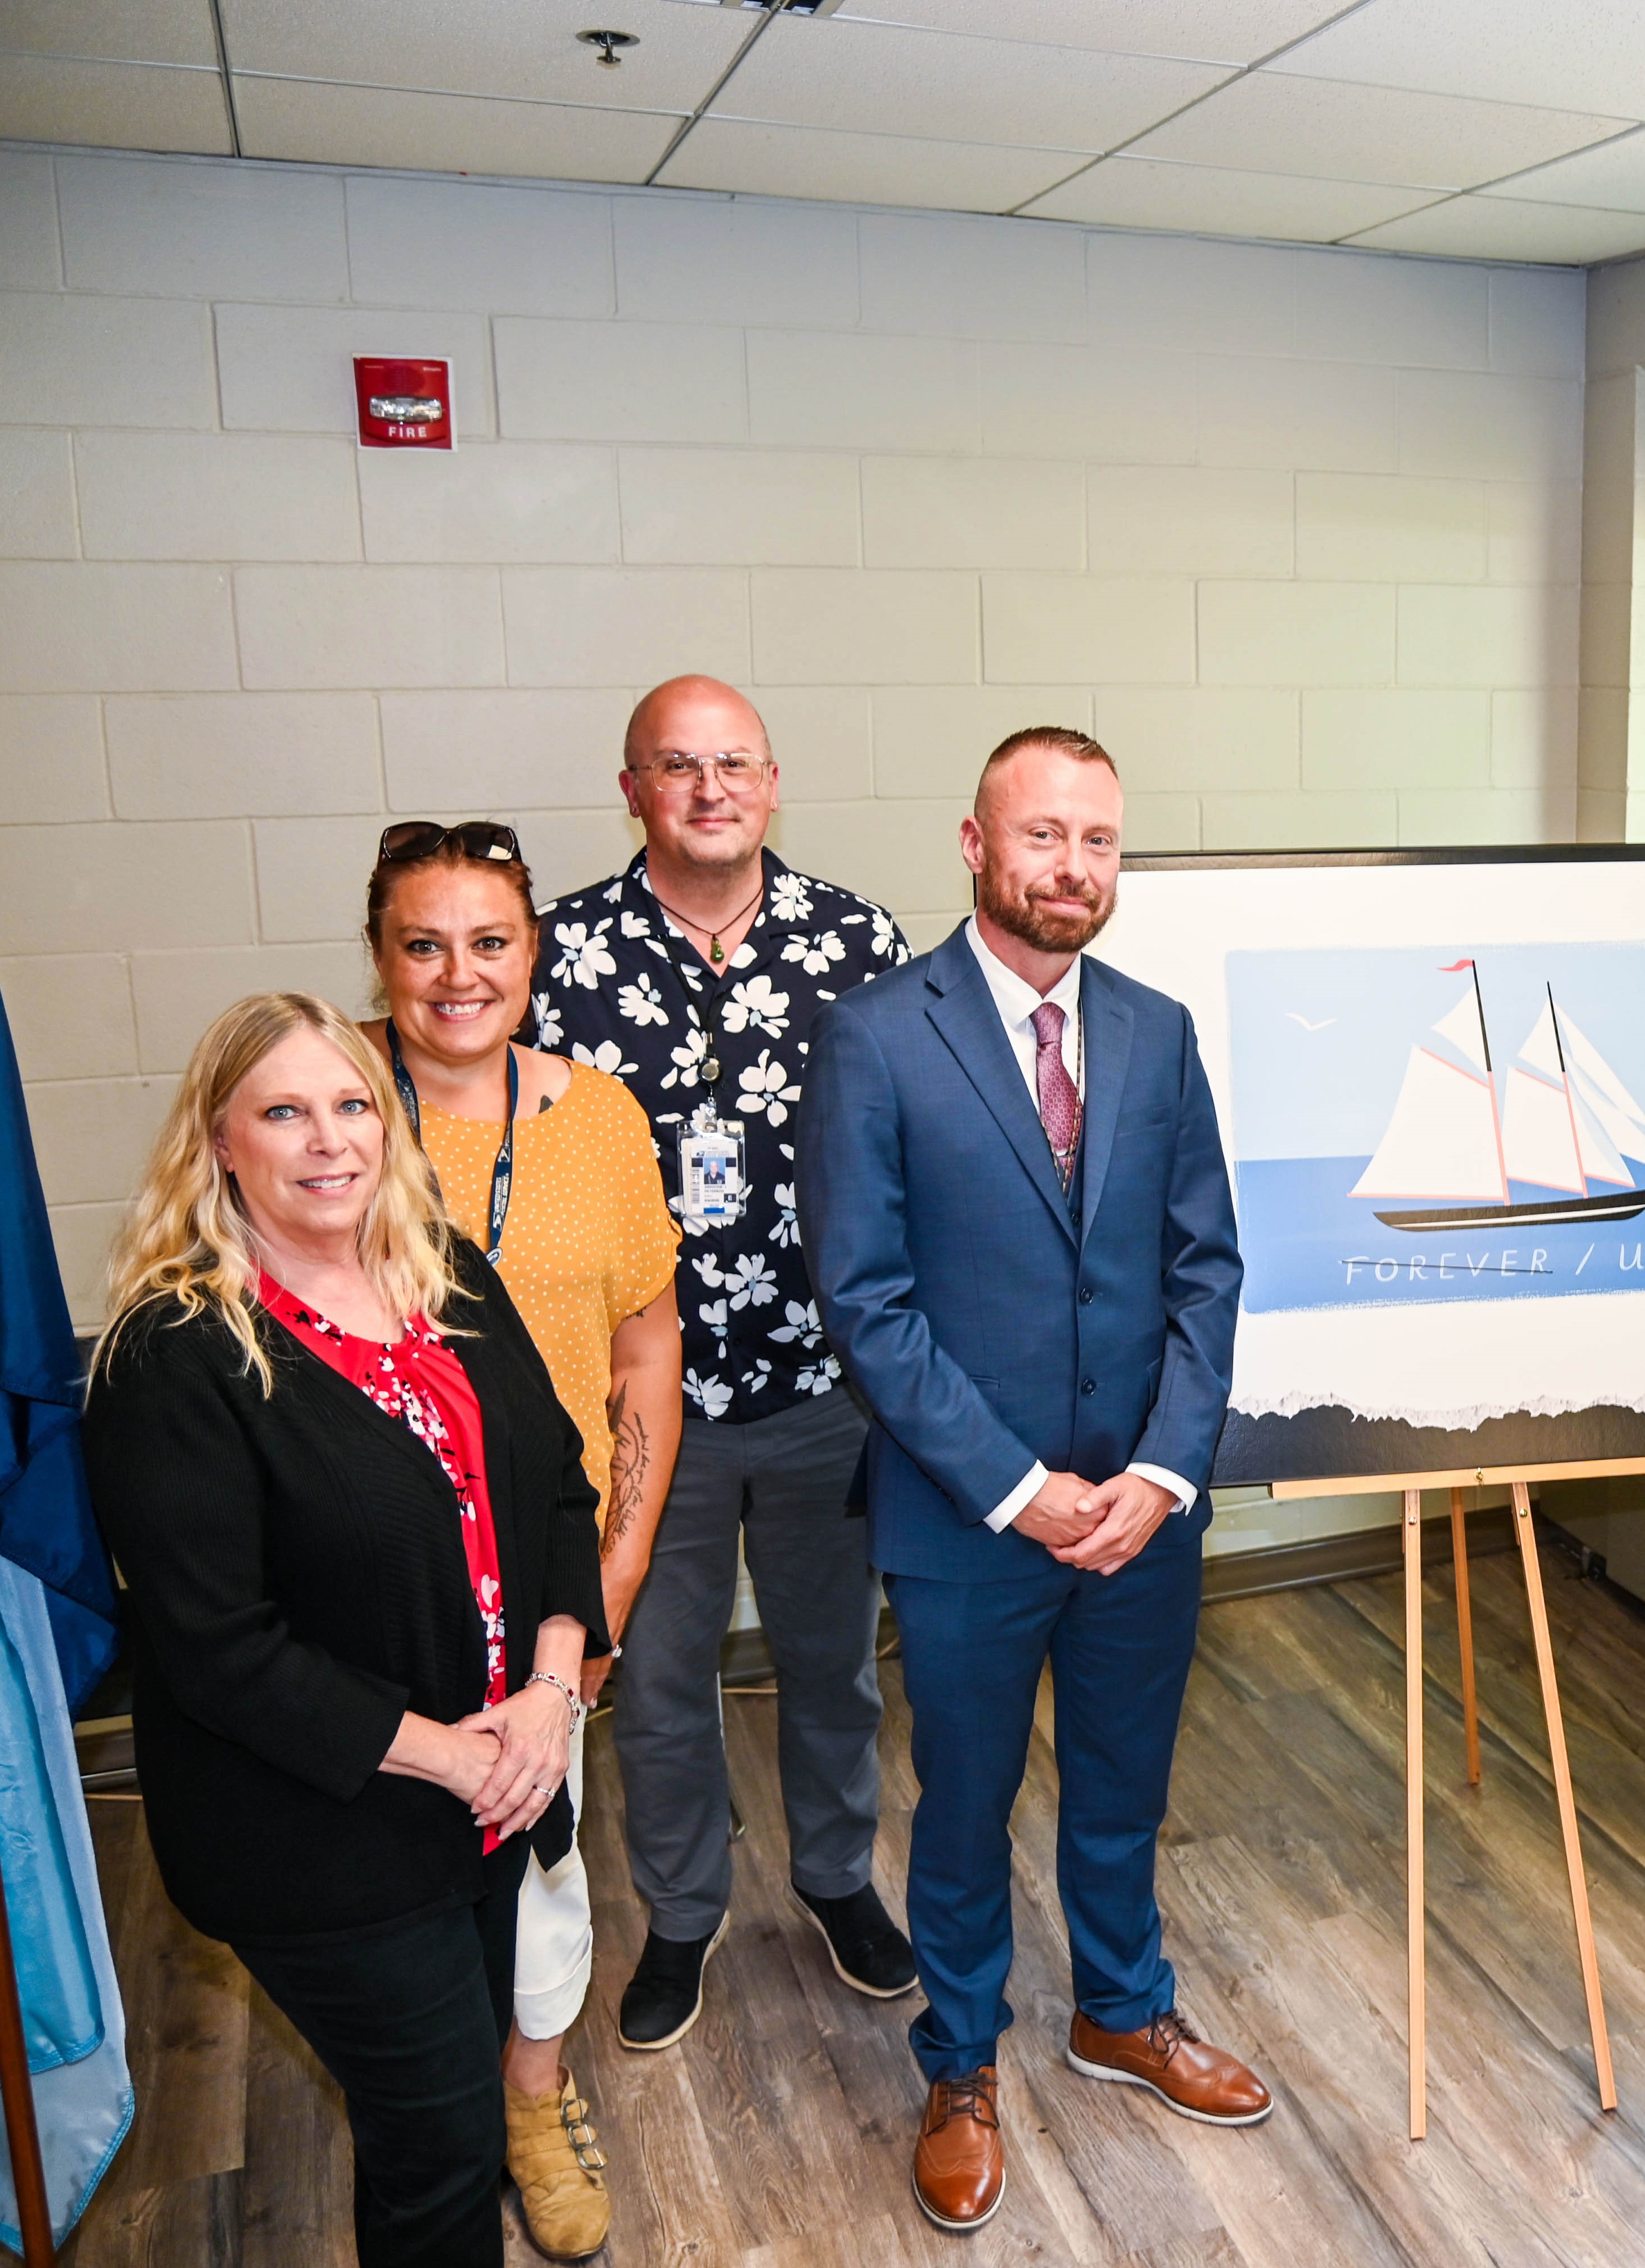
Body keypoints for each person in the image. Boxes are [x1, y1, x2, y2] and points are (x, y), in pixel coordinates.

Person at [801, 726, 1260, 2236]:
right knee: (968, 1802)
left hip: (1141, 1518)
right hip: (967, 1522)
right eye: (1043, 836)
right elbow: (865, 1301)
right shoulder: (878, 1036)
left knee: (1126, 1789)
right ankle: (959, 2062)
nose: (1071, 868)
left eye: (1098, 842)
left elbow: (1206, 1272)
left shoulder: (1157, 1030)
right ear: (976, 843)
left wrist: (1163, 1472)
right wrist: (1016, 1489)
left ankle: (1123, 2013)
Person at [85, 993, 605, 2268]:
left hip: (493, 1787)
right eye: (284, 1110)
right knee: (437, 2145)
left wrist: (550, 1692)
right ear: (219, 1140)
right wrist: (456, 1754)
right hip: (327, 1833)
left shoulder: (444, 1271)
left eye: (352, 1103)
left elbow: (555, 1485)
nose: (329, 1140)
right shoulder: (177, 1351)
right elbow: (221, 1648)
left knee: (457, 2109)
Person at [531, 676, 917, 2053]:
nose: (709, 788)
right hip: (646, 1401)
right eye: (676, 765)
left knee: (835, 1661)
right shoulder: (557, 952)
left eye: (734, 763)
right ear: (631, 786)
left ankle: (835, 1879)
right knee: (661, 1674)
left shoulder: (858, 938)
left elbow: (918, 1143)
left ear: (772, 780)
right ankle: (683, 1911)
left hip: (828, 1383)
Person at [366, 818, 682, 2260]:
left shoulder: (599, 1118)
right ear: (379, 954)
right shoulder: (325, 1107)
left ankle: (534, 2093)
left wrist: (606, 1586)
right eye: (423, 943)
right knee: (398, 1848)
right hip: (373, 1566)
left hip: (547, 1573)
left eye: (488, 941)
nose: (456, 974)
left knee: (543, 1844)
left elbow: (643, 1353)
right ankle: (427, 2099)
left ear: (533, 951)